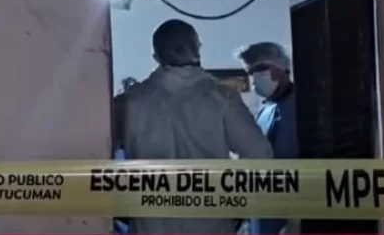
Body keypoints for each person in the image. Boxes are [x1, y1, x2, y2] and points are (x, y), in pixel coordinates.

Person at [117, 19, 273, 234]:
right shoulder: (221, 98)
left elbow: (96, 156)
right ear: (197, 49)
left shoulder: (130, 102)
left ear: (156, 57)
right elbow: (259, 154)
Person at [235, 42, 299, 235]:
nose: (255, 77)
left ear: (281, 67)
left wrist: (295, 222)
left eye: (260, 69)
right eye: (250, 72)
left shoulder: (300, 107)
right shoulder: (265, 110)